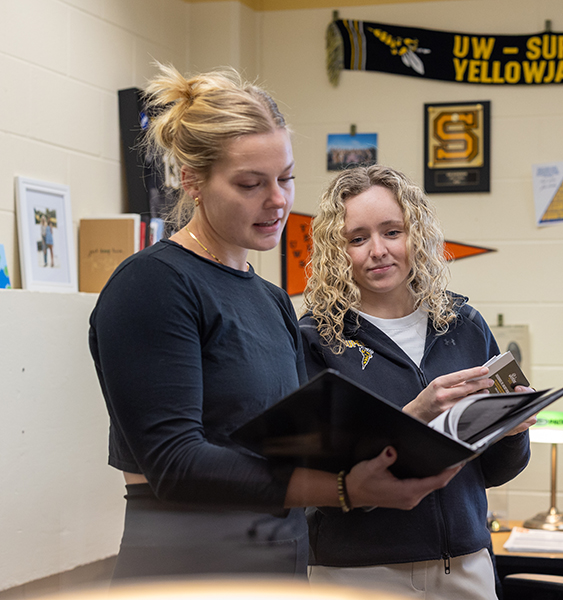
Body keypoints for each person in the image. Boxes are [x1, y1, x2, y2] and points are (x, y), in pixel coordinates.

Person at [88, 66, 457, 581]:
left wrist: (410, 424)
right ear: (192, 180)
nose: (279, 200)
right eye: (250, 184)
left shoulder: (271, 300)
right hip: (189, 566)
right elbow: (176, 464)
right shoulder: (153, 285)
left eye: (285, 178)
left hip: (279, 558)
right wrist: (345, 491)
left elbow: (292, 443)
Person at [299, 165, 534, 599]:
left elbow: (497, 472)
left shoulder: (465, 325)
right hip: (357, 573)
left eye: (392, 232)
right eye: (357, 238)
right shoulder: (316, 339)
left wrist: (512, 431)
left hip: (464, 566)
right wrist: (416, 414)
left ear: (415, 235)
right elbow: (322, 479)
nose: (378, 251)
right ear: (337, 250)